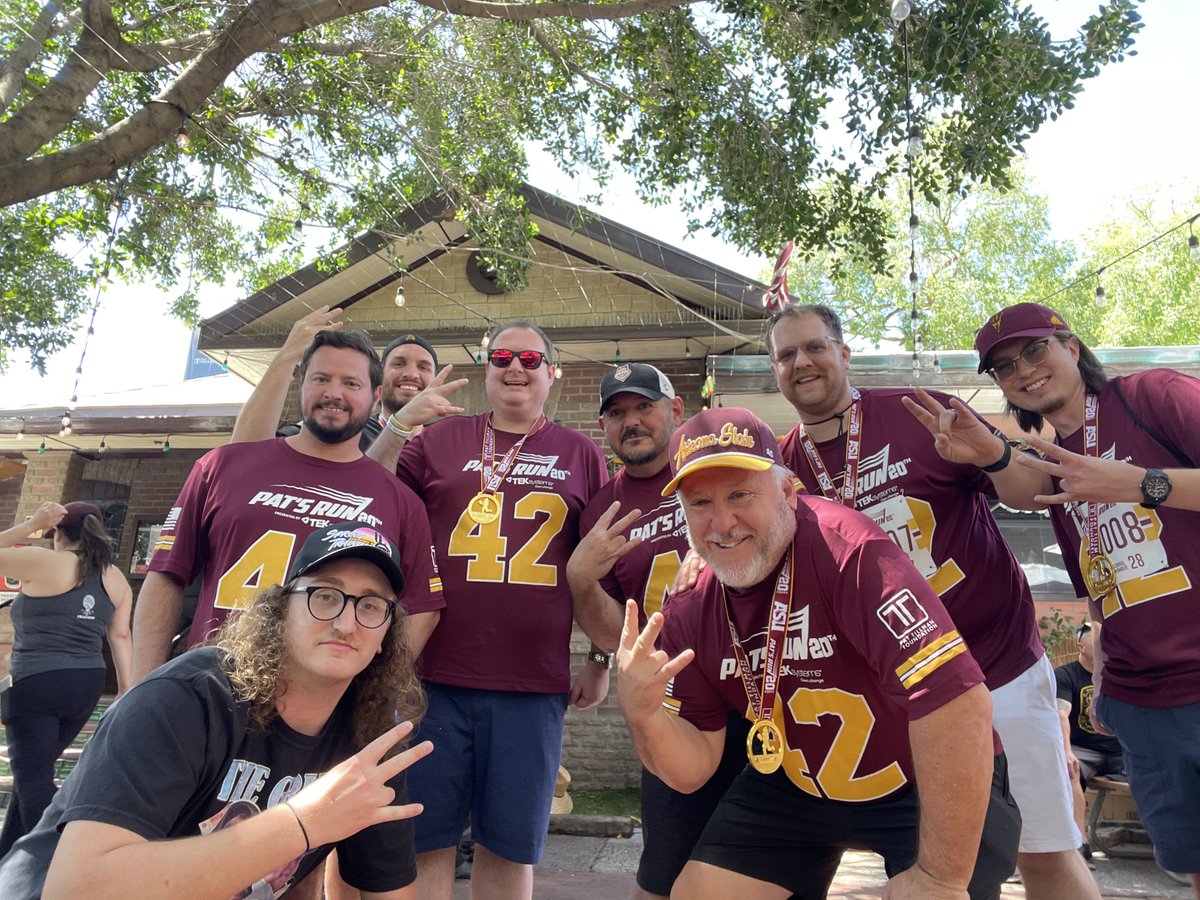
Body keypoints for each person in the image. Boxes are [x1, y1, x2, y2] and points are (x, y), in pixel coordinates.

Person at [617, 406, 1018, 900]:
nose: (722, 523)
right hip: (799, 783)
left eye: (741, 494)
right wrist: (645, 714)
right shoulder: (690, 602)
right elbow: (694, 766)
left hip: (921, 780)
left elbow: (958, 703)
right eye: (700, 503)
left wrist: (941, 879)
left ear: (788, 491)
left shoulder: (849, 552)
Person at [769, 303, 1097, 899]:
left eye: (814, 347)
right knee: (937, 870)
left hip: (996, 671)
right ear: (775, 370)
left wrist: (994, 456)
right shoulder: (783, 468)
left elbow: (1034, 494)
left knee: (1044, 852)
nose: (802, 362)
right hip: (900, 699)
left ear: (844, 354)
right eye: (786, 354)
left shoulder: (918, 412)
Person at [0, 521, 434, 899]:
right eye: (325, 596)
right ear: (281, 611)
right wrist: (303, 823)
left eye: (371, 606)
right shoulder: (186, 699)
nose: (346, 622)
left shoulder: (370, 734)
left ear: (385, 636)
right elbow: (77, 889)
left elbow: (383, 889)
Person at [969, 301, 1200, 894]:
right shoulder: (1053, 461)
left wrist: (1143, 484)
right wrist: (1113, 674)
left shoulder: (1153, 395)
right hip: (1144, 700)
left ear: (1071, 348)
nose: (1023, 371)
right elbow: (1095, 564)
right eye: (1003, 367)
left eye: (1034, 350)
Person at [380, 319, 608, 900]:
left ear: (552, 375)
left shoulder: (581, 452)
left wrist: (601, 658)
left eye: (531, 360)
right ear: (486, 368)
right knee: (423, 840)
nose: (515, 368)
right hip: (431, 678)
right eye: (503, 356)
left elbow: (603, 564)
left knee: (508, 848)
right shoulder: (438, 440)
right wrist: (400, 424)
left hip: (531, 684)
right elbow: (370, 492)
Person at [132, 328, 443, 683]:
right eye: (321, 378)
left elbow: (422, 608)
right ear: (302, 384)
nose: (334, 393)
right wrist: (142, 686)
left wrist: (374, 690)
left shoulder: (400, 500)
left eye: (351, 384)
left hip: (323, 707)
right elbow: (167, 573)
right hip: (211, 689)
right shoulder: (220, 466)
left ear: (374, 398)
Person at [568, 363, 748, 900]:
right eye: (617, 413)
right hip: (678, 705)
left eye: (644, 406)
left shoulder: (718, 471)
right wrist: (581, 580)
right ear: (605, 427)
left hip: (760, 690)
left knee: (777, 860)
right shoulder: (603, 509)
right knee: (666, 868)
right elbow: (613, 632)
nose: (632, 421)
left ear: (675, 411)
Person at [0, 501, 133, 857]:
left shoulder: (43, 560)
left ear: (57, 533)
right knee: (36, 774)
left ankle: (53, 864)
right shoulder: (114, 576)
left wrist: (31, 523)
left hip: (35, 683)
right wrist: (125, 690)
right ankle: (7, 859)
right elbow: (120, 637)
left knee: (32, 780)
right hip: (86, 684)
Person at [231, 306, 462, 450]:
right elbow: (247, 454)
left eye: (423, 367)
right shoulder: (347, 424)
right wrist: (285, 358)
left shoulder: (444, 442)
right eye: (398, 363)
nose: (411, 373)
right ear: (377, 386)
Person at [1055, 621, 1123, 859]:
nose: (1104, 648)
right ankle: (1080, 843)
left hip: (1121, 751)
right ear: (1080, 646)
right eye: (1097, 643)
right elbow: (1061, 714)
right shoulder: (1065, 676)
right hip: (1084, 750)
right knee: (1069, 768)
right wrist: (1066, 751)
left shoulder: (1119, 675)